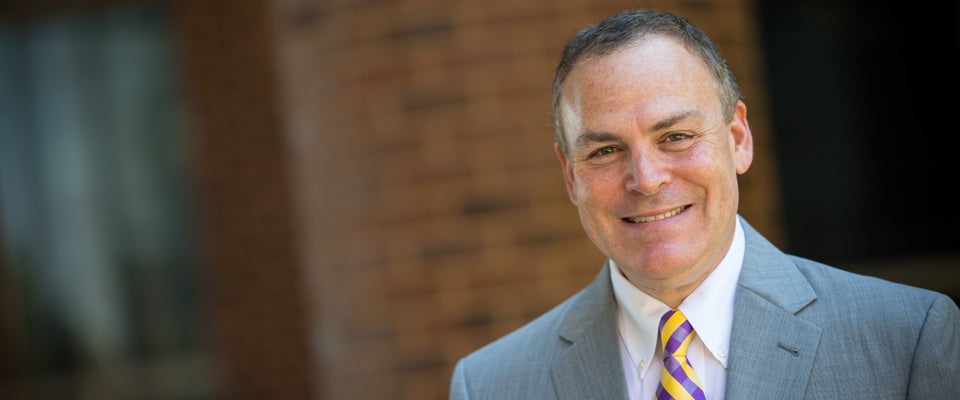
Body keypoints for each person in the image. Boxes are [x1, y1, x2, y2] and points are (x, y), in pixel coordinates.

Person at [449, 9, 960, 400]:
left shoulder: (906, 341)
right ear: (570, 174)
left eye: (675, 136)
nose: (646, 180)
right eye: (605, 151)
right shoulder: (491, 385)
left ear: (738, 138)